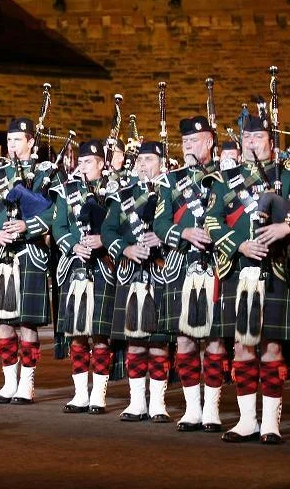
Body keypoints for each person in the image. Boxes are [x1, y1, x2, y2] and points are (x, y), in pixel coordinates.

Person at [203, 102, 290, 444]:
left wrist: (285, 228)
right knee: (243, 347)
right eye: (247, 137)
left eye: (258, 137)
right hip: (239, 270)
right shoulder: (224, 178)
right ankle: (247, 420)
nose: (251, 143)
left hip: (274, 270)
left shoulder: (289, 174)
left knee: (272, 348)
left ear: (271, 142)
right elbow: (212, 220)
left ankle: (271, 423)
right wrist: (239, 246)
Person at [153, 116, 224, 432]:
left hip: (217, 265)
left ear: (209, 142)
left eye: (193, 141)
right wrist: (184, 233)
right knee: (184, 340)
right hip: (181, 266)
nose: (187, 146)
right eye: (184, 142)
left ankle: (212, 408)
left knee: (214, 340)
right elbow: (159, 223)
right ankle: (192, 408)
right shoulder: (170, 181)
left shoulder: (226, 178)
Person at [0, 117, 55, 404]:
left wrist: (28, 226)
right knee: (5, 323)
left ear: (31, 142)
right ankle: (9, 382)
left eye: (17, 140)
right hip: (2, 255)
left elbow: (56, 214)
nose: (11, 145)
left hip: (30, 253)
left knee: (27, 324)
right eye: (9, 140)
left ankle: (27, 383)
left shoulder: (46, 173)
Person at [104, 141, 171, 422]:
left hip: (160, 270)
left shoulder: (172, 192)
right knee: (134, 340)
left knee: (157, 341)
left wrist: (164, 239)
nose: (144, 164)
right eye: (140, 160)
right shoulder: (124, 195)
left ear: (162, 163)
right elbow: (107, 231)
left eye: (150, 159)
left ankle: (157, 402)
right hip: (131, 272)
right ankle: (136, 402)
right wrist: (125, 249)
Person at [52, 139, 115, 415]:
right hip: (75, 267)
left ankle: (98, 395)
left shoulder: (114, 189)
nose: (83, 166)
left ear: (101, 163)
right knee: (77, 334)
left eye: (89, 161)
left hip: (102, 267)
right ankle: (80, 394)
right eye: (81, 162)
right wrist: (72, 245)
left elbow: (120, 226)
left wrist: (104, 241)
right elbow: (58, 226)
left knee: (100, 334)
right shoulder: (67, 191)